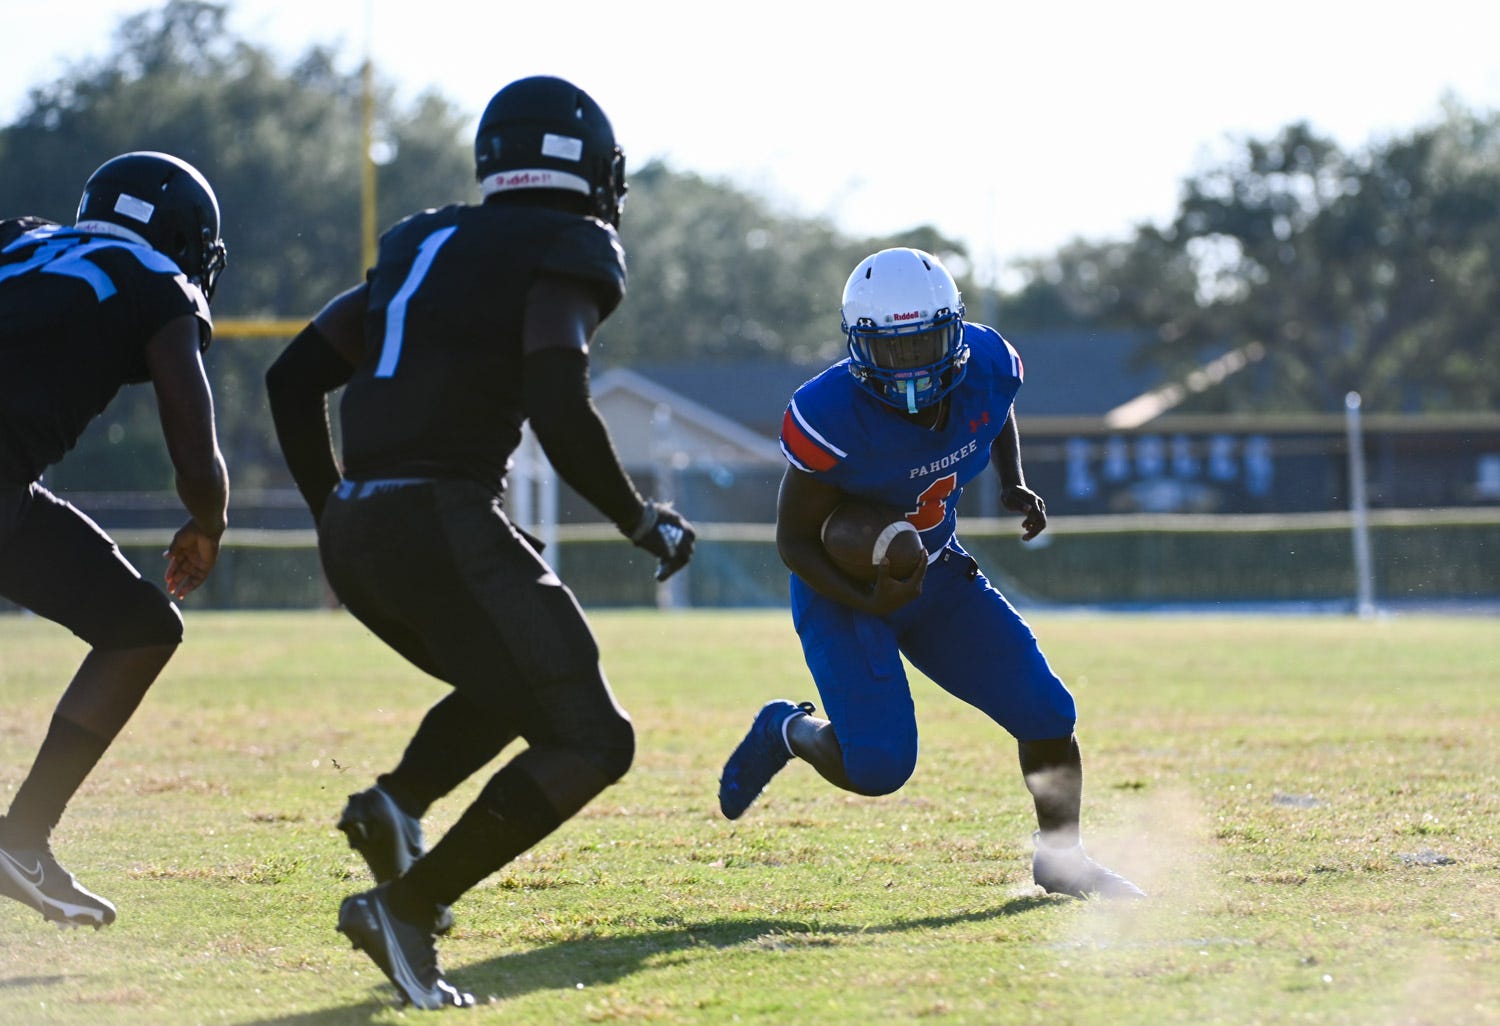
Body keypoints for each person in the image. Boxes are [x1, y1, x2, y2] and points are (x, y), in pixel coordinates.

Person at [265, 75, 695, 1010]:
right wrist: (637, 516)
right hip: (440, 516)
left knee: (516, 683)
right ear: (591, 171)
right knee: (592, 737)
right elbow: (556, 393)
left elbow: (291, 377)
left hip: (365, 528)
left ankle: (395, 803)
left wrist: (331, 507)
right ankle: (407, 907)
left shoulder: (421, 238)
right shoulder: (568, 244)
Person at [717, 247, 1143, 900]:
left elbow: (993, 413)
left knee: (1047, 712)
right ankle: (787, 729)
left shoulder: (990, 366)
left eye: (927, 343)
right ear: (860, 347)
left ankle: (1062, 858)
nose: (913, 365)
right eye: (893, 350)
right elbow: (795, 543)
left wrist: (1014, 482)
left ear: (957, 331)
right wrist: (870, 592)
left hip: (938, 574)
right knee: (880, 766)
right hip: (843, 591)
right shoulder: (829, 414)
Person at [0, 152, 230, 928]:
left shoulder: (20, 238)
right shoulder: (159, 285)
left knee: (139, 626)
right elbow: (196, 456)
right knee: (142, 628)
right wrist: (208, 523)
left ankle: (21, 845)